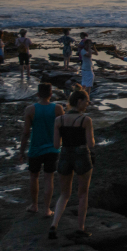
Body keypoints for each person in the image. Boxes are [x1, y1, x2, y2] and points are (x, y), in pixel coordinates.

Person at [49, 88, 95, 240]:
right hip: (81, 154)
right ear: (79, 101)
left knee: (64, 194)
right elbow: (91, 143)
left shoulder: (58, 120)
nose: (87, 104)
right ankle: (80, 228)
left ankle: (54, 225)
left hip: (65, 155)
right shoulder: (85, 120)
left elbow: (56, 145)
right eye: (86, 101)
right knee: (82, 194)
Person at [18, 83, 64, 216]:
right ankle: (47, 209)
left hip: (35, 149)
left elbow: (26, 133)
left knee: (34, 177)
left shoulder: (30, 110)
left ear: (38, 94)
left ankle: (34, 205)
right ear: (51, 94)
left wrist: (21, 151)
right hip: (53, 149)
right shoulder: (58, 109)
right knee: (49, 178)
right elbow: (63, 129)